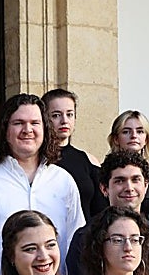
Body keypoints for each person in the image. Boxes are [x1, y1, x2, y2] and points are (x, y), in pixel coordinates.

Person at [0, 93, 84, 275]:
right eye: (18, 123)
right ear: (5, 129)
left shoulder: (63, 180)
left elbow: (76, 241)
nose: (27, 130)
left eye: (35, 123)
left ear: (45, 129)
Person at [44, 88, 108, 222]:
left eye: (70, 114)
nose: (64, 121)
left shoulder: (89, 160)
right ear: (44, 119)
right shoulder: (36, 160)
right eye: (56, 115)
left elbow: (100, 210)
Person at [106, 110, 149, 227]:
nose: (134, 136)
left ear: (146, 139)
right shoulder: (104, 174)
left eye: (140, 131)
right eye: (126, 132)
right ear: (116, 139)